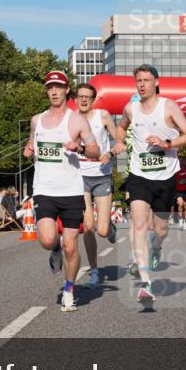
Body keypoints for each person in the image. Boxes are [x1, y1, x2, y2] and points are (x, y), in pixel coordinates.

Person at [113, 64, 186, 304]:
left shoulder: (168, 107)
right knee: (139, 224)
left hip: (165, 177)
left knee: (159, 230)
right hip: (139, 176)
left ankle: (156, 248)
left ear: (156, 82)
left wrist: (167, 143)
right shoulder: (130, 108)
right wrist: (119, 142)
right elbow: (121, 127)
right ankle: (145, 282)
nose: (142, 84)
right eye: (138, 80)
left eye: (146, 80)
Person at [23, 71, 100, 312]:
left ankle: (69, 290)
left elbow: (95, 151)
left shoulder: (77, 121)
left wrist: (80, 147)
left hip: (72, 191)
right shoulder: (37, 120)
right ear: (47, 91)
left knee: (71, 247)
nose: (54, 91)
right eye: (50, 87)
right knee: (47, 240)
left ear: (67, 90)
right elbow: (31, 143)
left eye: (58, 87)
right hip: (44, 189)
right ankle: (53, 251)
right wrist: (28, 149)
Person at [75, 83, 119, 289]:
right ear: (75, 99)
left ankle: (110, 227)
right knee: (88, 227)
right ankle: (94, 270)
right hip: (80, 177)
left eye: (88, 97)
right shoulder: (70, 120)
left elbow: (121, 141)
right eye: (80, 96)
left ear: (94, 100)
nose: (84, 100)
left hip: (102, 176)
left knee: (101, 230)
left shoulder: (103, 116)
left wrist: (110, 153)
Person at [174, 165, 186, 231]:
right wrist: (185, 181)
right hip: (178, 191)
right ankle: (180, 219)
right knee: (180, 204)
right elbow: (177, 181)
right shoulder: (176, 171)